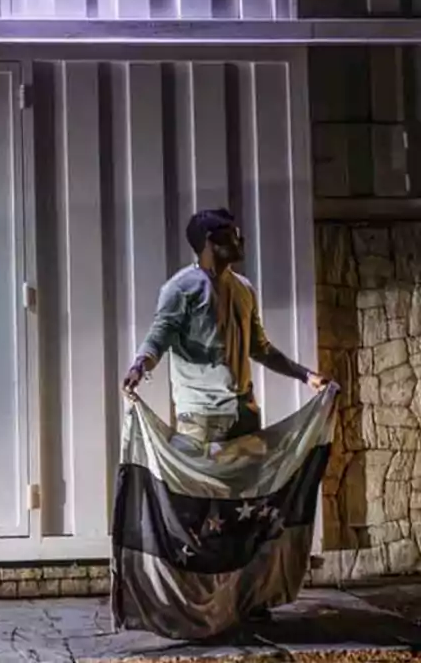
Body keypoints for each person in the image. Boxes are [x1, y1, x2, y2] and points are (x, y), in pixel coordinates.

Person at [121, 208, 329, 621]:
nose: (240, 243)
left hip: (243, 416)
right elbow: (158, 335)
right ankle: (206, 603)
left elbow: (260, 347)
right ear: (208, 244)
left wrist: (306, 376)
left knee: (247, 510)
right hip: (201, 419)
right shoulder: (181, 289)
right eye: (231, 237)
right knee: (205, 515)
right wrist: (140, 366)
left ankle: (248, 599)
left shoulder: (243, 288)